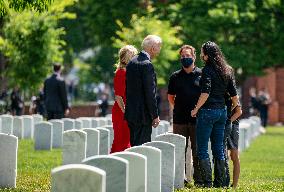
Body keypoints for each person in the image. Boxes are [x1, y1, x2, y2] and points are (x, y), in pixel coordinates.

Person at [191, 41, 239, 188]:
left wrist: (196, 109)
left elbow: (205, 93)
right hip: (222, 112)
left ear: (207, 55)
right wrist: (230, 109)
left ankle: (207, 183)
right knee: (219, 148)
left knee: (202, 149)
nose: (201, 55)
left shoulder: (206, 70)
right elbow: (235, 97)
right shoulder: (226, 70)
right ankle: (221, 183)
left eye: (202, 52)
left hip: (207, 112)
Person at [167, 45, 203, 185]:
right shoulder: (175, 77)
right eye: (182, 56)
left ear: (194, 57)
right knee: (180, 151)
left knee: (197, 150)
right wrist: (177, 108)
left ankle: (198, 180)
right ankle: (180, 179)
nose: (185, 58)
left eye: (188, 56)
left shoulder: (201, 75)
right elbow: (170, 96)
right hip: (179, 119)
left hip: (197, 119)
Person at [125, 35, 162, 146]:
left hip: (131, 114)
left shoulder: (131, 62)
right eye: (159, 47)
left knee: (134, 148)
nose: (159, 50)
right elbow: (150, 93)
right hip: (143, 116)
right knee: (142, 149)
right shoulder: (147, 65)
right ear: (153, 48)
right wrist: (155, 115)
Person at [111, 45, 138, 153]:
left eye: (134, 55)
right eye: (130, 55)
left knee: (126, 141)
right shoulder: (121, 73)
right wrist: (126, 113)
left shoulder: (131, 72)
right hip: (121, 112)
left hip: (129, 111)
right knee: (121, 142)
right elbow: (118, 97)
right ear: (123, 58)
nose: (133, 57)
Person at [224, 92, 242, 189]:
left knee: (234, 155)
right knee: (223, 155)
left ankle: (234, 185)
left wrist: (228, 122)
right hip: (220, 126)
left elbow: (239, 112)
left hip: (233, 126)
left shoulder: (232, 93)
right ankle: (224, 182)